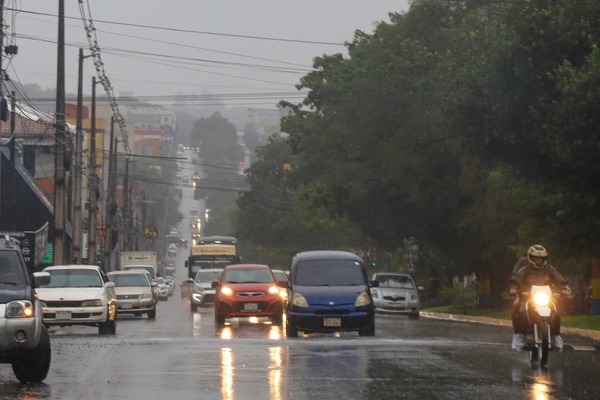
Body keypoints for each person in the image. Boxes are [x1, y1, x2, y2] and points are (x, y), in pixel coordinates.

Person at [508, 244, 570, 351]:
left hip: (546, 297)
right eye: (536, 257)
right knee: (516, 307)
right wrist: (514, 288)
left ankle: (555, 336)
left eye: (541, 258)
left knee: (555, 311)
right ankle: (518, 336)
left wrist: (563, 289)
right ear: (531, 257)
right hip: (527, 297)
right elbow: (516, 280)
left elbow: (559, 280)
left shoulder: (549, 269)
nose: (538, 260)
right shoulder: (525, 269)